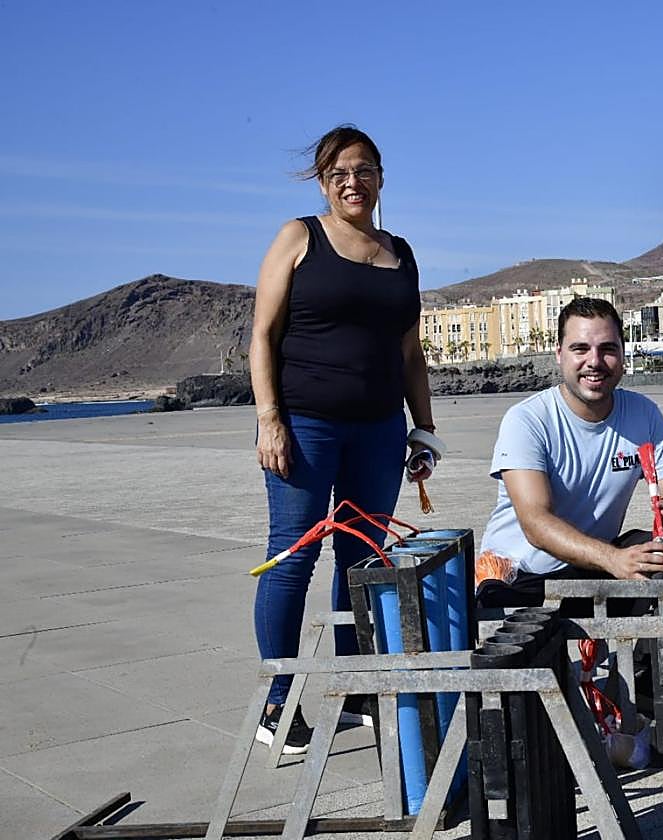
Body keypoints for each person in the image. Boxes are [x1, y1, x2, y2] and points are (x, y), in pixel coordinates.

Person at [249, 125, 436, 753]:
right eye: (339, 174)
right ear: (324, 183)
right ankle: (278, 703)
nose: (352, 182)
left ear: (382, 177)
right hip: (306, 425)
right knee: (292, 556)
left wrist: (424, 427)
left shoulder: (401, 253)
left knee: (362, 559)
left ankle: (354, 684)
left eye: (364, 170)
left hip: (381, 428)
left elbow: (411, 351)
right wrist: (269, 418)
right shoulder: (297, 237)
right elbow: (263, 336)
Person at [476, 297, 663, 610]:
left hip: (595, 565)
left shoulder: (642, 413)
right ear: (559, 354)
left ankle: (648, 658)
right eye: (580, 349)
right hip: (525, 575)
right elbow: (536, 524)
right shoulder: (527, 419)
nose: (594, 361)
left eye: (607, 349)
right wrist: (615, 560)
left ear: (622, 355)